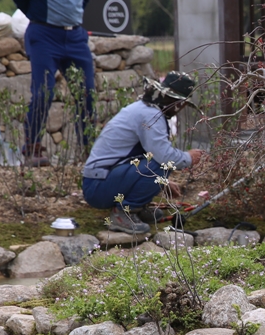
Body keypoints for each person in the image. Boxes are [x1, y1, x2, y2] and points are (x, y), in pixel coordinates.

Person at [11, 0, 102, 167]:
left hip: (75, 37)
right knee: (43, 92)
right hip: (43, 35)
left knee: (87, 93)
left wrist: (71, 22)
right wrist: (41, 18)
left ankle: (89, 152)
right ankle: (32, 147)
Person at [82, 72, 205, 234]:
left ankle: (137, 208)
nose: (180, 109)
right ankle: (123, 213)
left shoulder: (145, 110)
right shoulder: (150, 115)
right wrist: (188, 157)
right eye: (181, 104)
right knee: (161, 163)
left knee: (157, 164)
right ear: (176, 101)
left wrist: (162, 182)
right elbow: (165, 157)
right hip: (98, 187)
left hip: (99, 180)